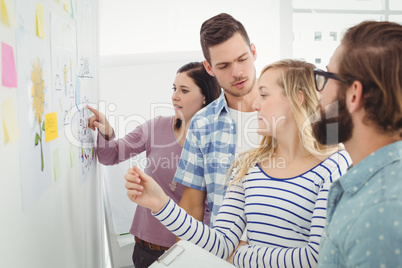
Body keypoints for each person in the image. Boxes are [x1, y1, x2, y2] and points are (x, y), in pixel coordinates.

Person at [125, 59, 352, 267]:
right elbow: (221, 243)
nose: (255, 105)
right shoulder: (248, 165)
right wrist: (160, 203)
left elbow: (316, 257)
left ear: (297, 98)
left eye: (264, 95)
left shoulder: (335, 165)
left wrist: (240, 255)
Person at [87, 62, 221, 268]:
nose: (175, 96)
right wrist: (106, 130)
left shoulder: (218, 142)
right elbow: (110, 155)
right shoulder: (157, 126)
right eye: (174, 88)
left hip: (192, 252)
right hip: (145, 250)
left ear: (205, 97)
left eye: (184, 90)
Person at [311, 21, 402, 267]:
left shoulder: (380, 212)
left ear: (353, 94)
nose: (319, 93)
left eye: (327, 77)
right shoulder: (370, 184)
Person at [175, 13, 260, 228]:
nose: (237, 72)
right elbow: (192, 205)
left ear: (253, 52)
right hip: (225, 254)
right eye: (224, 66)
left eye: (242, 59)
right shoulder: (202, 123)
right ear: (209, 68)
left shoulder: (292, 111)